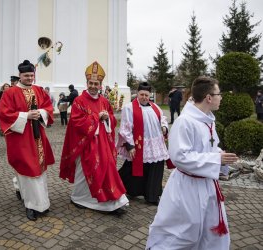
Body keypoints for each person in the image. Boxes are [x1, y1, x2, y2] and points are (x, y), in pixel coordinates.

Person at [146, 76, 239, 250]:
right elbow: (179, 157)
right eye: (219, 94)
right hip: (188, 188)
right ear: (209, 98)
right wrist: (215, 159)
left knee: (211, 233)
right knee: (184, 233)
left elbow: (208, 148)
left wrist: (220, 155)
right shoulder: (185, 122)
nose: (221, 97)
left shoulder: (207, 120)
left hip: (207, 186)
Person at [60, 61, 128, 214]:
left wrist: (107, 118)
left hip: (102, 142)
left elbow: (112, 118)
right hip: (86, 143)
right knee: (87, 170)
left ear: (100, 85)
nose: (93, 86)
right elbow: (76, 122)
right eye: (90, 83)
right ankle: (79, 197)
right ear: (87, 83)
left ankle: (112, 200)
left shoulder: (104, 101)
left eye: (96, 83)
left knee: (108, 166)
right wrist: (97, 117)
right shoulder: (79, 101)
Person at [0, 59, 55, 221]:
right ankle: (31, 205)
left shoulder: (39, 90)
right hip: (20, 138)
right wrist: (26, 115)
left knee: (39, 169)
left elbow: (48, 107)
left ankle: (41, 202)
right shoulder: (10, 93)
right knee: (28, 169)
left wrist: (42, 113)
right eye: (26, 75)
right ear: (20, 76)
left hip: (38, 137)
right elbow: (4, 114)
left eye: (32, 75)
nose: (30, 78)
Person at [117, 82, 169, 206]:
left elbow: (163, 119)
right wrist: (130, 146)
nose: (144, 97)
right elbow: (125, 127)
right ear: (137, 94)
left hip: (155, 145)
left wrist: (164, 127)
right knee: (130, 168)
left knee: (156, 169)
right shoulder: (129, 107)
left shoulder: (155, 107)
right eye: (142, 94)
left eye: (146, 95)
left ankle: (152, 196)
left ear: (149, 95)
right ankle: (120, 188)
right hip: (138, 145)